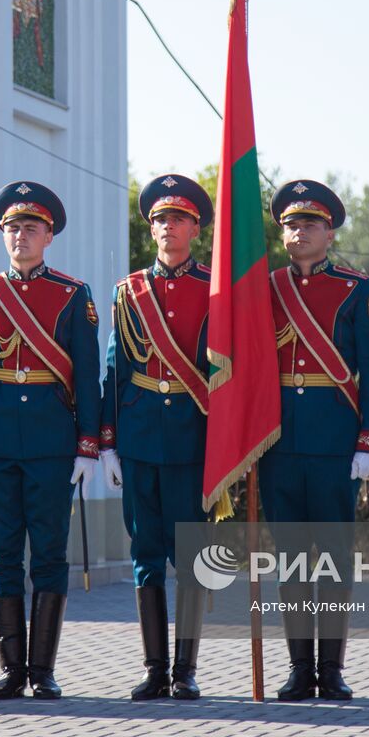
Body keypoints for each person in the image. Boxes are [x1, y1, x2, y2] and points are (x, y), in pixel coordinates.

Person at [0, 181, 101, 700]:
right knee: (1, 554)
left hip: (50, 440)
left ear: (49, 236)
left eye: (30, 228)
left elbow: (87, 375)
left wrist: (89, 445)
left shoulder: (71, 294)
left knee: (49, 556)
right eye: (12, 228)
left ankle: (43, 670)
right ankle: (11, 668)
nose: (20, 236)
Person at [260, 179, 369, 702]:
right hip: (277, 442)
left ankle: (331, 670)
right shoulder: (264, 288)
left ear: (329, 232)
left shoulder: (358, 290)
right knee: (291, 560)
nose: (299, 232)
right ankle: (298, 668)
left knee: (332, 557)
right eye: (290, 224)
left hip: (337, 438)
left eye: (310, 223)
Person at [101, 174, 214, 700]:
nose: (167, 227)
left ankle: (185, 670)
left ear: (196, 227)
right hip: (141, 435)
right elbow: (114, 370)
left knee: (190, 557)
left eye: (177, 218)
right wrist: (105, 442)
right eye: (159, 219)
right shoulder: (129, 291)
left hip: (194, 440)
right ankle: (154, 669)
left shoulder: (214, 289)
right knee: (145, 554)